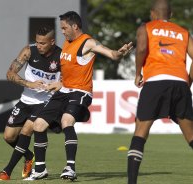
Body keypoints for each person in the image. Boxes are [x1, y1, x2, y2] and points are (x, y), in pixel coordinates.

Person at [25, 11, 132, 181]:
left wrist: (120, 52)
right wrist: (59, 84)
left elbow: (112, 54)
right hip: (64, 91)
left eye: (64, 27)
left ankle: (70, 168)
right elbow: (68, 71)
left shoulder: (88, 42)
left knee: (66, 121)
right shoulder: (67, 42)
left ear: (75, 26)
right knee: (38, 125)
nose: (62, 31)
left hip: (81, 91)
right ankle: (40, 169)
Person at [127, 0, 193, 183]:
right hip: (180, 84)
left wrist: (138, 73)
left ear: (152, 13)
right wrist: (187, 81)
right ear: (170, 15)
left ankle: (131, 182)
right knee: (191, 136)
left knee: (141, 131)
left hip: (155, 82)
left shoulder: (146, 27)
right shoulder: (183, 32)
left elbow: (141, 49)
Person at [0, 26, 62, 181]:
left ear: (52, 41)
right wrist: (29, 84)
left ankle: (6, 172)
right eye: (37, 42)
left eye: (43, 43)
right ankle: (29, 155)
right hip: (25, 101)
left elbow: (68, 80)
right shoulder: (28, 51)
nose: (39, 46)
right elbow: (10, 74)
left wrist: (57, 86)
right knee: (9, 137)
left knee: (26, 131)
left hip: (46, 103)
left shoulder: (62, 56)